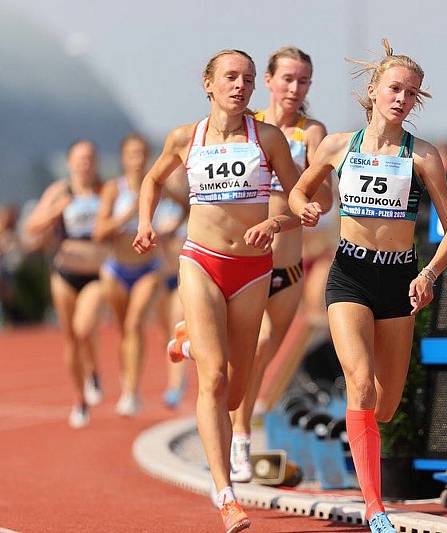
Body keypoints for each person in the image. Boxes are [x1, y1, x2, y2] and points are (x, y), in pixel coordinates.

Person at [288, 39, 447, 533]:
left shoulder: (423, 156)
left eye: (412, 93)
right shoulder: (337, 146)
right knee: (361, 384)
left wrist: (428, 274)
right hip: (350, 274)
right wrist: (303, 204)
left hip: (400, 281)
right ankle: (374, 506)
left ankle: (355, 420)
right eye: (394, 88)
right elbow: (303, 188)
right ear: (373, 89)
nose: (401, 98)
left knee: (383, 405)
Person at [133, 49, 300, 533]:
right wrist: (145, 222)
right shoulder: (187, 137)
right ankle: (226, 494)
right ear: (208, 84)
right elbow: (151, 178)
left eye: (248, 79)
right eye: (231, 77)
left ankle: (186, 341)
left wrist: (277, 220)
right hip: (201, 262)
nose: (240, 85)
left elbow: (298, 198)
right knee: (212, 381)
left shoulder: (267, 138)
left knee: (235, 388)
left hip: (251, 271)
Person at [227, 45, 332, 482]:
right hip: (240, 262)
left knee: (263, 349)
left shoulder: (311, 133)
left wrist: (286, 218)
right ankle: (238, 437)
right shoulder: (246, 127)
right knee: (245, 351)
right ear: (267, 81)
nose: (294, 88)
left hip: (286, 267)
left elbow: (324, 200)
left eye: (302, 80)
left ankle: (239, 435)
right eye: (287, 79)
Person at [24, 140, 106, 428]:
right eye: (80, 158)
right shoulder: (60, 191)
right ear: (70, 162)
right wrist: (55, 211)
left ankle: (94, 371)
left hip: (96, 273)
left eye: (90, 158)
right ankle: (79, 398)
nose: (85, 164)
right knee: (70, 339)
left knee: (84, 328)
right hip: (64, 273)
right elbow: (31, 228)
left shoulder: (105, 190)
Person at [93, 134, 165, 416]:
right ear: (123, 158)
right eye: (132, 154)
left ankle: (132, 391)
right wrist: (127, 215)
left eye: (142, 154)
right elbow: (99, 232)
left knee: (135, 324)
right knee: (124, 329)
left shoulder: (156, 185)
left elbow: (185, 206)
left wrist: (171, 226)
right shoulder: (114, 188)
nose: (137, 160)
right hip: (116, 269)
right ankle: (127, 377)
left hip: (148, 268)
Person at [154, 166, 190, 408]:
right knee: (166, 332)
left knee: (179, 324)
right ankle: (177, 380)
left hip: (186, 275)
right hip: (163, 274)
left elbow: (184, 204)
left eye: (180, 173)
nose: (174, 178)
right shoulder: (157, 205)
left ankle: (175, 385)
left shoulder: (193, 198)